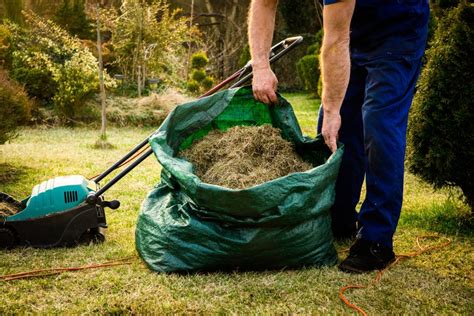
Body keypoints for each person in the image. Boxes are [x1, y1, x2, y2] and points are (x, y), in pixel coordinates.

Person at [248, 0, 429, 273]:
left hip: (398, 28)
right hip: (352, 27)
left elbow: (335, 39)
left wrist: (333, 109)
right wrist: (260, 66)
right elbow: (263, 3)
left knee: (378, 123)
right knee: (335, 130)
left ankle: (375, 240)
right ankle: (338, 218)